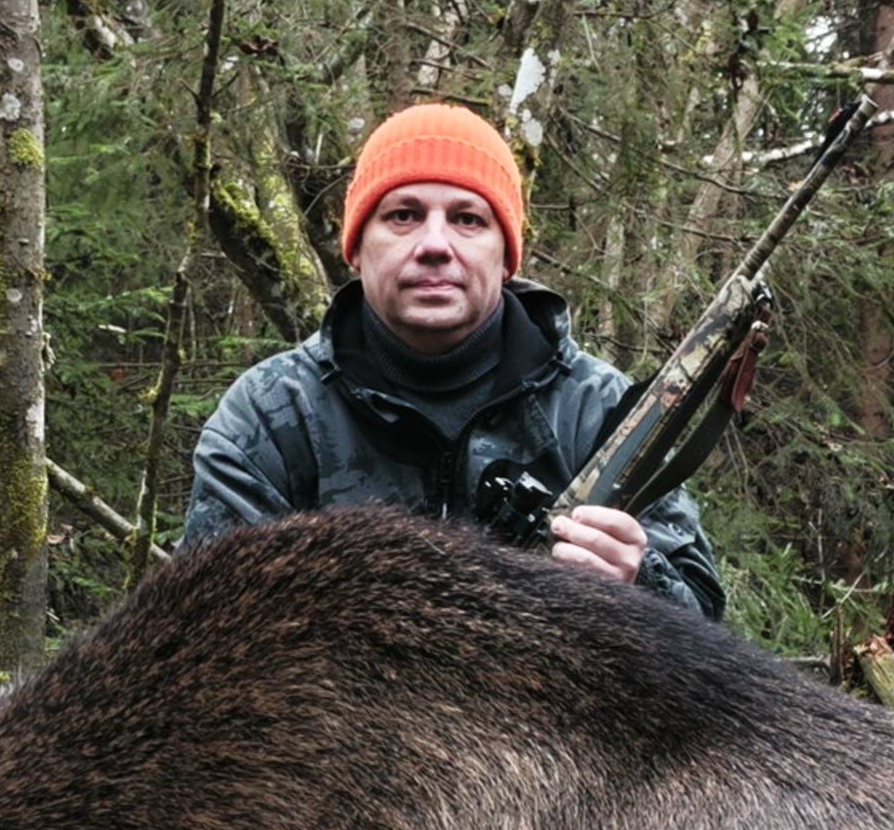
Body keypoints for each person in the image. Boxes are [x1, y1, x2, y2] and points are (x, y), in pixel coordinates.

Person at [176, 104, 726, 620]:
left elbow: (709, 637)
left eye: (467, 219)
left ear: (506, 255)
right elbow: (200, 631)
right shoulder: (270, 417)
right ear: (357, 249)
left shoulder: (598, 411)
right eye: (403, 216)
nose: (435, 244)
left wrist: (637, 582)